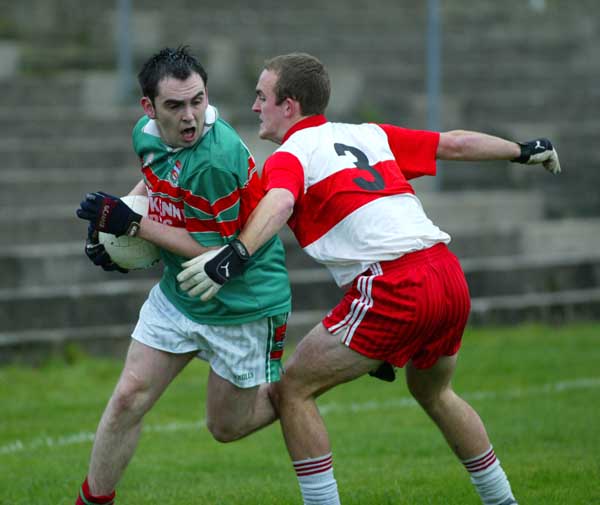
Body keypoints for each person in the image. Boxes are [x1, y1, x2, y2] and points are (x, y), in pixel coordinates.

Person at [177, 52, 561, 505]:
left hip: (393, 285)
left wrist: (235, 255)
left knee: (294, 388)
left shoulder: (290, 154)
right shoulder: (368, 133)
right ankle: (502, 500)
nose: (255, 105)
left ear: (291, 105)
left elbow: (279, 203)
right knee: (433, 390)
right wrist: (521, 151)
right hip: (447, 274)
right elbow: (454, 143)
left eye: (263, 97)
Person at [73, 46, 291, 505]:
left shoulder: (214, 160)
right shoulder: (146, 136)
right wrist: (117, 229)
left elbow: (215, 254)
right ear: (148, 109)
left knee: (224, 428)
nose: (190, 116)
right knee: (130, 395)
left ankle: (305, 386)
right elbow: (154, 186)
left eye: (198, 101)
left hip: (241, 300)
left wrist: (131, 224)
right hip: (179, 293)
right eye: (175, 105)